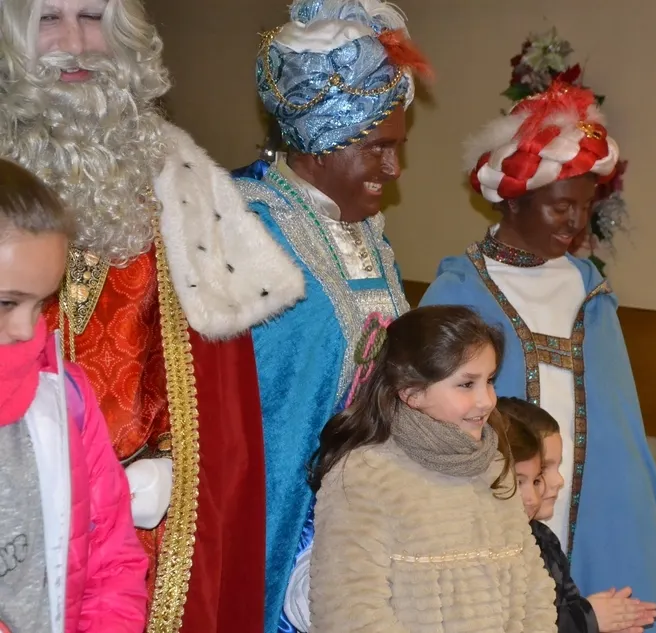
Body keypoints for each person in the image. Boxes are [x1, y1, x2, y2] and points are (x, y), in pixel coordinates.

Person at [0, 1, 305, 631]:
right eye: (48, 18)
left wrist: (174, 470)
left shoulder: (183, 186)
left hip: (141, 527)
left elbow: (212, 392)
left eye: (92, 16)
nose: (75, 42)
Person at [420, 82, 656, 631]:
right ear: (515, 200)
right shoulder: (460, 291)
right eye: (561, 207)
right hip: (498, 511)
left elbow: (621, 424)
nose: (575, 223)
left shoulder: (591, 292)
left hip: (596, 509)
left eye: (584, 207)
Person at [234, 1, 430, 629]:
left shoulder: (368, 231)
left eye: (397, 148)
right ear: (321, 144)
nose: (394, 169)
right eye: (378, 148)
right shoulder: (248, 226)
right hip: (286, 515)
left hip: (371, 511)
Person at [305, 305, 556, 632]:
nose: (486, 400)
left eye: (489, 381)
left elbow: (534, 588)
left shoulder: (495, 465)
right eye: (466, 384)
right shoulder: (365, 474)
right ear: (412, 392)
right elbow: (350, 610)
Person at [0, 158, 148, 633]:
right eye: (6, 303)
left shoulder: (66, 394)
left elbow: (111, 563)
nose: (28, 330)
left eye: (41, 303)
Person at [498, 396, 656, 633]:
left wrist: (595, 622)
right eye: (543, 469)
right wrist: (588, 619)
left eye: (537, 478)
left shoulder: (543, 540)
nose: (559, 481)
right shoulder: (490, 550)